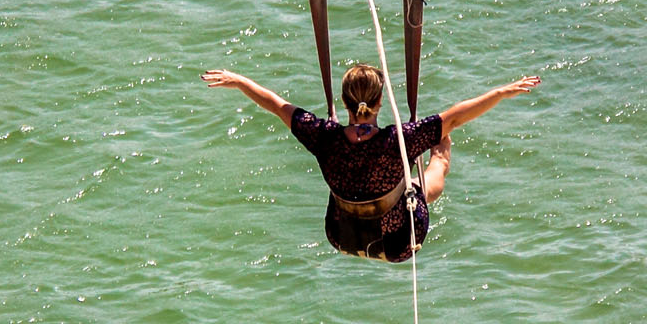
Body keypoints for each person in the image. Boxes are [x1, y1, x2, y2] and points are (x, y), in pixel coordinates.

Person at [201, 63, 540, 262]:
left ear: (344, 103)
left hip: (341, 235)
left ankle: (429, 158)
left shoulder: (323, 136)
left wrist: (239, 81)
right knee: (432, 173)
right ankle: (440, 157)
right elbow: (455, 117)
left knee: (402, 176)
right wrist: (500, 93)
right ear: (380, 101)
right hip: (399, 243)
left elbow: (277, 106)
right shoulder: (398, 140)